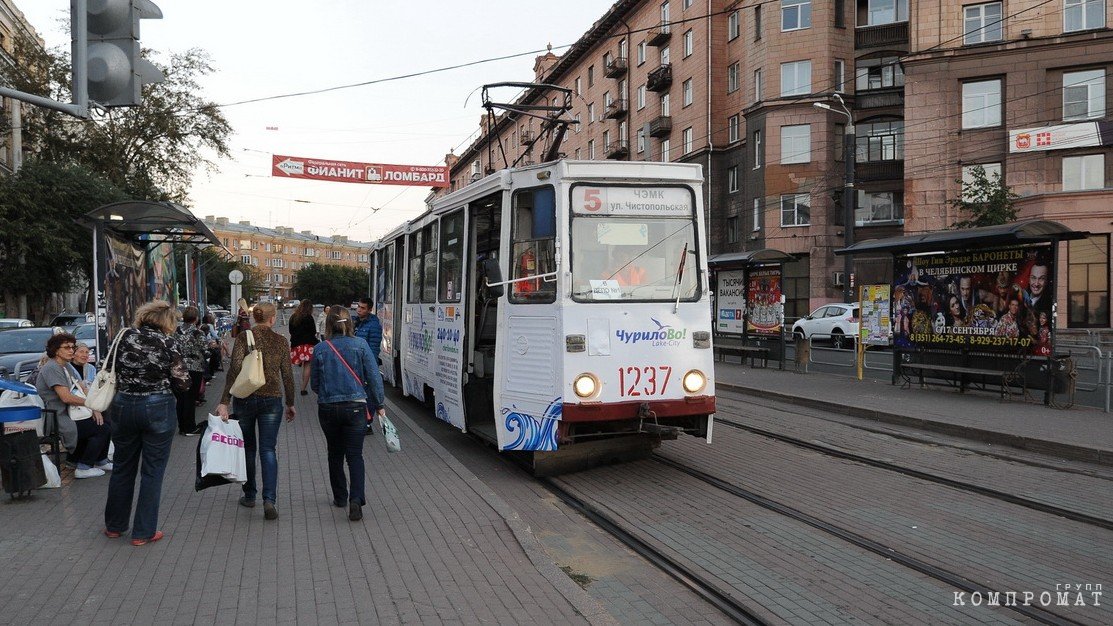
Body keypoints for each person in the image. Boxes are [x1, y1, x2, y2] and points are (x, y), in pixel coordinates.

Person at [104, 301, 190, 546]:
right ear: (167, 321)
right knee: (152, 471)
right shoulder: (168, 342)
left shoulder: (122, 337)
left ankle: (115, 526)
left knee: (122, 466)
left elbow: (109, 367)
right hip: (157, 407)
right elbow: (183, 382)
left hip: (122, 404)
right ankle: (143, 532)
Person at [216, 301, 296, 521]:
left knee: (248, 449)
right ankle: (269, 499)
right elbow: (287, 375)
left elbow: (234, 369)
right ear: (272, 319)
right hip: (272, 400)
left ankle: (249, 495)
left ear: (255, 318)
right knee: (268, 450)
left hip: (245, 400)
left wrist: (225, 400)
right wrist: (290, 402)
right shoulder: (280, 341)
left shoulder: (244, 338)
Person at [311, 307, 383, 522]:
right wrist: (379, 404)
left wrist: (328, 393)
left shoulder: (321, 348)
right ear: (350, 324)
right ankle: (356, 499)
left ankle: (340, 497)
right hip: (355, 407)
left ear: (329, 325)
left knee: (334, 453)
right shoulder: (360, 345)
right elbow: (374, 376)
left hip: (328, 408)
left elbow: (315, 383)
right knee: (355, 455)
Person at [36, 333, 110, 479]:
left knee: (105, 418)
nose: (71, 350)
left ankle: (99, 460)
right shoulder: (52, 367)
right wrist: (91, 404)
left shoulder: (66, 365)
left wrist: (95, 407)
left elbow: (83, 388)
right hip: (58, 416)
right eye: (67, 347)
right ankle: (84, 467)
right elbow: (66, 397)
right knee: (100, 429)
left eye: (72, 347)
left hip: (72, 412)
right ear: (56, 350)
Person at [173, 306, 208, 436]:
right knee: (190, 398)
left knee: (181, 398)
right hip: (194, 367)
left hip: (178, 367)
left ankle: (182, 426)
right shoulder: (197, 333)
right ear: (196, 318)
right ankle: (190, 427)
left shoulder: (176, 331)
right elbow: (204, 348)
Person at [353, 297, 383, 434]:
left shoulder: (374, 325)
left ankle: (368, 423)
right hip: (357, 365)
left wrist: (369, 365)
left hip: (367, 365)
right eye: (358, 306)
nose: (359, 309)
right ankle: (361, 420)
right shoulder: (357, 322)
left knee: (368, 395)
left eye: (363, 308)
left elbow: (373, 349)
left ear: (370, 310)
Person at [288, 300, 319, 396]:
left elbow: (290, 331)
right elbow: (313, 331)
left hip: (296, 345)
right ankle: (303, 388)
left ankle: (293, 386)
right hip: (308, 345)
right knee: (308, 366)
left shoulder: (293, 317)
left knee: (301, 365)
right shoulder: (309, 317)